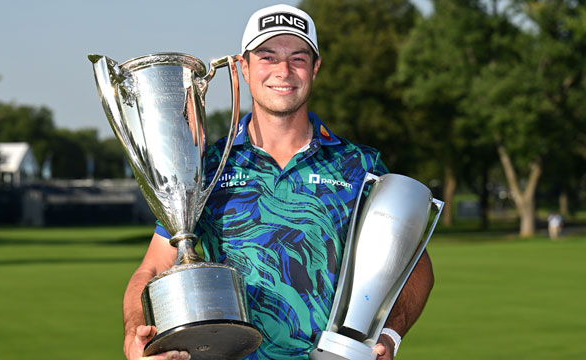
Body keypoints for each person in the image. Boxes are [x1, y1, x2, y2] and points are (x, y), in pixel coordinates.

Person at [122, 4, 434, 360]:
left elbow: (414, 265)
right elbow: (153, 266)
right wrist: (135, 331)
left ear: (315, 68)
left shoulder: (359, 165)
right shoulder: (203, 164)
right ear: (243, 67)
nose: (283, 71)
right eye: (268, 57)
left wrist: (390, 335)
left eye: (298, 58)